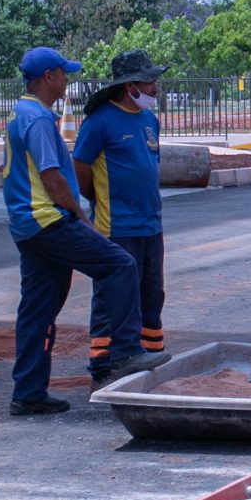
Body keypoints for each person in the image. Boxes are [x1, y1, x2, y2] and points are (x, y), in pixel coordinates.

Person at [3, 47, 140, 415]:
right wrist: (78, 213)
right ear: (48, 77)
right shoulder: (39, 120)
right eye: (64, 74)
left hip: (27, 226)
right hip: (49, 221)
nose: (67, 80)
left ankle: (28, 392)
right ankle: (126, 352)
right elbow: (50, 176)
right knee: (120, 266)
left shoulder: (21, 112)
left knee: (37, 310)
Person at [72, 50, 169, 376]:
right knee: (113, 296)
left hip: (150, 225)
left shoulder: (149, 119)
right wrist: (99, 199)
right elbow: (80, 170)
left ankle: (149, 363)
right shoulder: (99, 122)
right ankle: (103, 367)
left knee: (151, 295)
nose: (155, 87)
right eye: (149, 81)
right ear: (130, 86)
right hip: (116, 227)